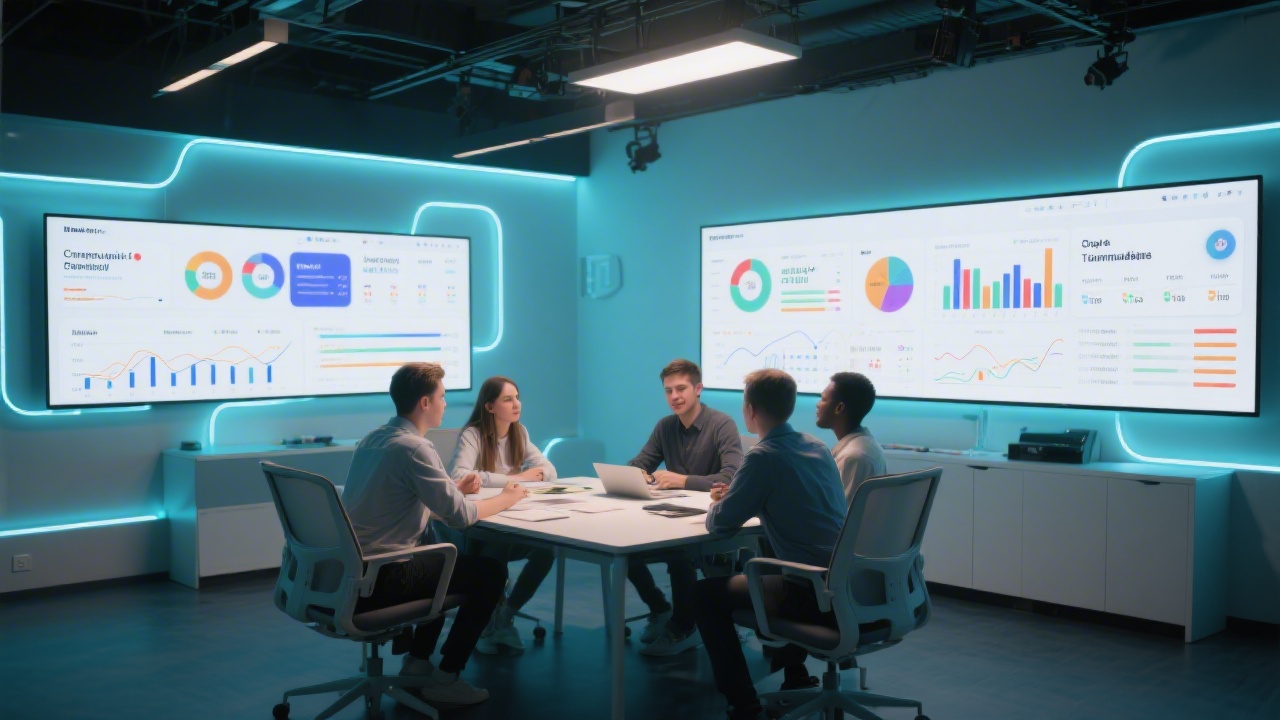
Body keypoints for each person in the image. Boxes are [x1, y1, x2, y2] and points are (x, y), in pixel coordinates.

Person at [341, 362, 527, 708]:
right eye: (442, 397)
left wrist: (453, 487)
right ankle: (446, 677)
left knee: (439, 558)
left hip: (351, 572)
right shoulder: (415, 447)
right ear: (425, 403)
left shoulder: (374, 439)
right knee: (488, 572)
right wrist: (508, 498)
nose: (445, 404)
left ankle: (417, 661)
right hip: (384, 578)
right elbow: (461, 517)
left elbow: (396, 495)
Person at [693, 369, 847, 720]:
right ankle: (792, 675)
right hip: (845, 582)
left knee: (704, 595)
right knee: (772, 560)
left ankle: (744, 705)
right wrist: (743, 493)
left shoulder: (762, 457)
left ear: (750, 409)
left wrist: (725, 500)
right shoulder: (817, 447)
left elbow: (720, 524)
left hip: (809, 591)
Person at [627, 358, 743, 656]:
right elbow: (639, 465)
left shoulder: (722, 424)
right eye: (668, 391)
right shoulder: (665, 426)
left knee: (681, 555)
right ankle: (660, 608)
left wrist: (683, 480)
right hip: (670, 516)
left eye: (681, 389)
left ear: (698, 388)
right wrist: (640, 474)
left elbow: (731, 477)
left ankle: (683, 627)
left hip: (710, 523)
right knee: (624, 550)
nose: (674, 397)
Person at [450, 375, 558, 654]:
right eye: (508, 399)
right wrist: (515, 477)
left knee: (546, 550)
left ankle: (506, 612)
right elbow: (460, 476)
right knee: (497, 547)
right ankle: (488, 620)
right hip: (479, 525)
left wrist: (526, 477)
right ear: (489, 407)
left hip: (512, 516)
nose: (516, 404)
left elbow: (549, 471)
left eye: (517, 397)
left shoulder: (518, 433)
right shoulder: (472, 434)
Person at [815, 371, 886, 499]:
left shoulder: (853, 458)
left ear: (839, 408)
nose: (818, 404)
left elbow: (842, 515)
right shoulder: (866, 444)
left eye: (824, 399)